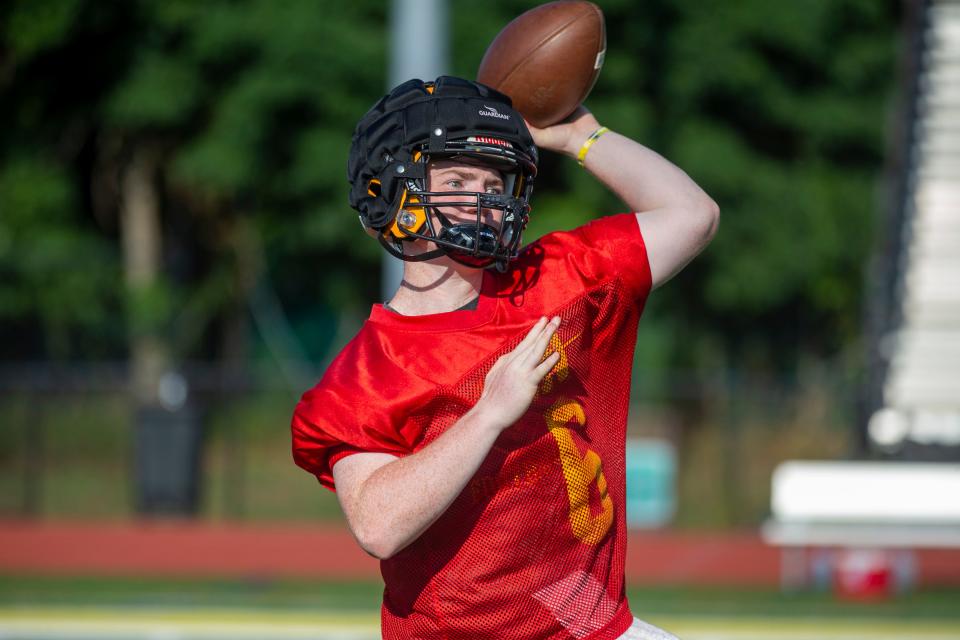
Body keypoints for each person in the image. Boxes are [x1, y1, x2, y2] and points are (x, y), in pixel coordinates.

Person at [292, 76, 718, 640]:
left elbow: (692, 214)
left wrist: (582, 137)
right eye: (459, 179)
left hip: (588, 619)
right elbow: (378, 525)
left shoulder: (558, 281)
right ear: (392, 191)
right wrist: (489, 413)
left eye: (496, 180)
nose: (486, 198)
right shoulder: (366, 372)